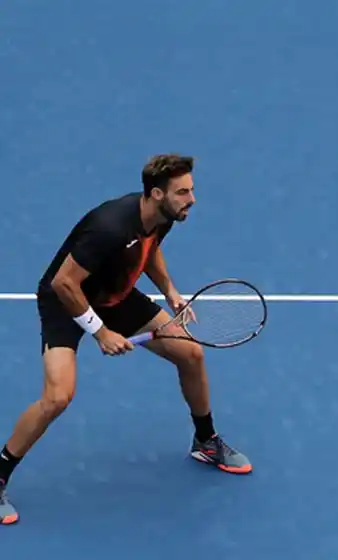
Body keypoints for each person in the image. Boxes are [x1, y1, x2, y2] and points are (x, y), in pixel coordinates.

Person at [0, 154, 252, 525]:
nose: (192, 199)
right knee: (57, 397)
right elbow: (63, 283)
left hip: (116, 295)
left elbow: (150, 251)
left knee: (191, 354)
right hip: (69, 302)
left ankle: (205, 441)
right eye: (183, 192)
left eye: (191, 190)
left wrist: (170, 291)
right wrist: (99, 331)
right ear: (155, 193)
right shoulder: (110, 227)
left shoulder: (163, 216)